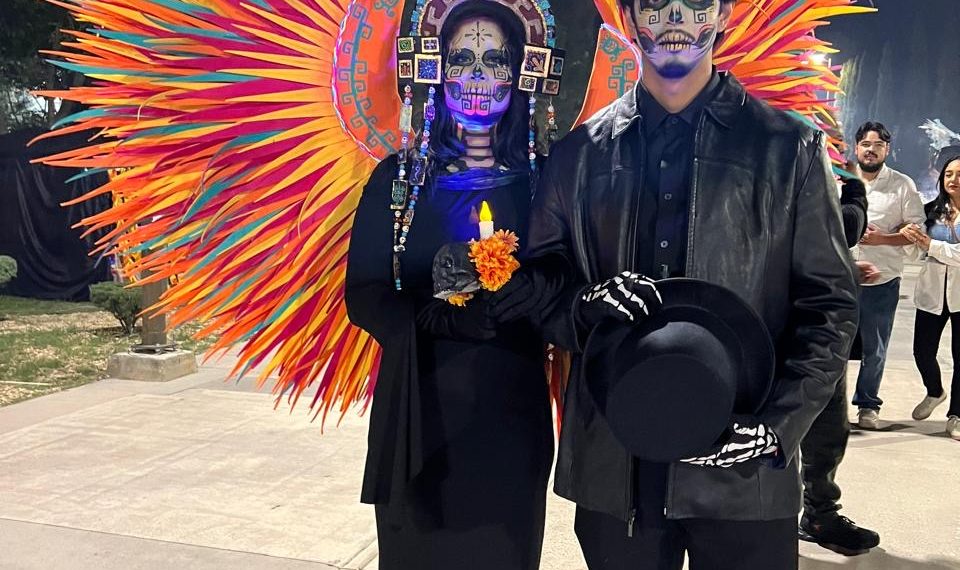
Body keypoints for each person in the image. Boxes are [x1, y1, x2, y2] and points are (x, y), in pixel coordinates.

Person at [490, 0, 859, 567]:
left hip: (744, 473)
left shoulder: (789, 147)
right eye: (656, 6)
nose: (675, 19)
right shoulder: (578, 155)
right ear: (631, 18)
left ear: (722, 14)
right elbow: (541, 288)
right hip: (616, 466)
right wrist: (584, 306)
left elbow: (829, 305)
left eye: (694, 5)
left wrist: (778, 425)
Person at [344, 3, 557, 568]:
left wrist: (536, 290)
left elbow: (570, 283)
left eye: (495, 60)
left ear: (520, 71)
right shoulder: (399, 180)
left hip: (512, 422)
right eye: (462, 59)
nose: (478, 76)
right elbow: (364, 295)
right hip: (419, 418)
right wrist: (437, 317)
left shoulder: (546, 179)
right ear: (436, 70)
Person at [799, 172, 882, 555]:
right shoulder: (788, 161)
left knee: (828, 431)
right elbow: (844, 227)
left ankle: (819, 515)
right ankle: (798, 516)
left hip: (820, 327)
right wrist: (856, 193)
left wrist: (845, 267)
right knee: (805, 429)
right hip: (794, 327)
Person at [850, 121, 925, 430]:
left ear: (887, 150)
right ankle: (825, 405)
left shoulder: (902, 185)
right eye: (866, 144)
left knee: (875, 349)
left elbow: (916, 230)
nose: (871, 150)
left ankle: (867, 405)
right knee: (829, 344)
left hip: (882, 281)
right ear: (856, 147)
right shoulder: (839, 180)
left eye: (878, 145)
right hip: (838, 278)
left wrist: (883, 239)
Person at [900, 155, 960, 441]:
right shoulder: (931, 212)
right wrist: (909, 237)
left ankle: (956, 415)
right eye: (949, 174)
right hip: (931, 291)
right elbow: (916, 253)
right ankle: (934, 391)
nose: (953, 179)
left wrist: (930, 244)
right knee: (922, 351)